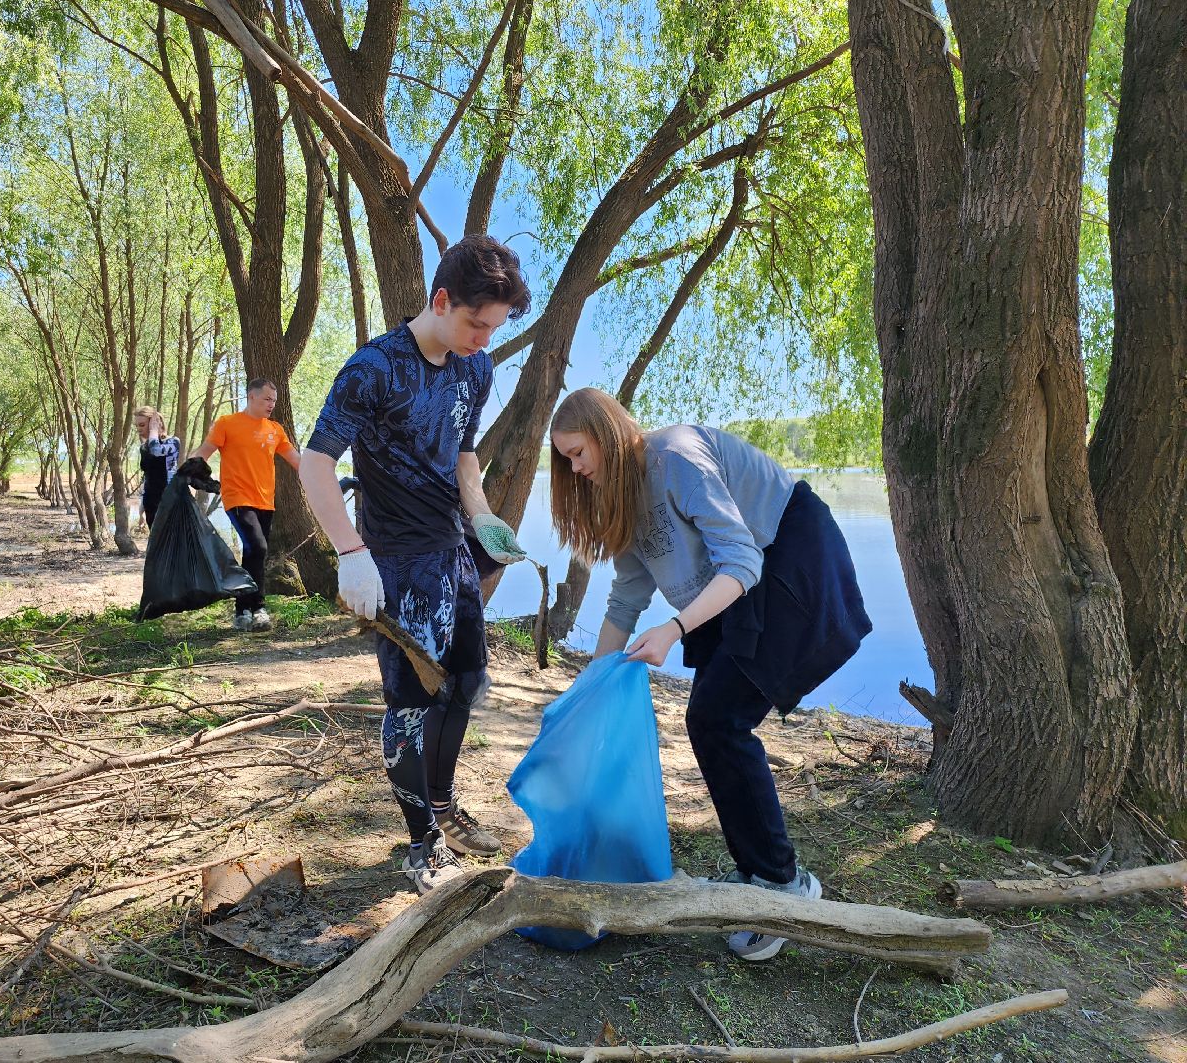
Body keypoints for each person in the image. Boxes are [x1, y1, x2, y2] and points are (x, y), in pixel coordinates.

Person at [548, 387, 872, 961]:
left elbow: (743, 560)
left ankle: (783, 887)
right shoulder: (623, 495)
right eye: (566, 460)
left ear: (606, 433)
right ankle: (761, 873)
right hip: (732, 586)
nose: (575, 469)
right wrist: (588, 689)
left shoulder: (674, 458)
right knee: (713, 722)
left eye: (578, 454)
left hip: (784, 556)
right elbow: (625, 600)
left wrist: (673, 629)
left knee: (718, 718)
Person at [299, 235, 532, 894]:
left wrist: (481, 513)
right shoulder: (375, 368)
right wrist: (350, 552)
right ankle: (421, 845)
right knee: (410, 704)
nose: (484, 341)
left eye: (495, 329)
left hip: (450, 553)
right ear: (441, 300)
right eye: (476, 324)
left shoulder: (475, 367)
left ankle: (441, 803)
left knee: (466, 683)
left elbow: (463, 452)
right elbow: (317, 462)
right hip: (392, 565)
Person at [189, 380, 301, 631]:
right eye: (267, 399)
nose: (272, 404)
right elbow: (205, 450)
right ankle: (259, 607)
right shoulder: (227, 423)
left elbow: (296, 461)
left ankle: (243, 611)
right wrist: (189, 468)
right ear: (251, 397)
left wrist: (325, 477)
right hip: (237, 497)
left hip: (265, 501)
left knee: (253, 552)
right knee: (258, 547)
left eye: (274, 400)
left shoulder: (275, 430)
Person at [133, 407, 180, 530]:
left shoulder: (173, 442)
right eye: (136, 425)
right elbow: (148, 478)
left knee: (170, 545)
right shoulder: (144, 448)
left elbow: (156, 450)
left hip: (169, 502)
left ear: (155, 423)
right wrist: (141, 509)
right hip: (151, 504)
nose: (138, 429)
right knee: (156, 545)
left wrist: (154, 430)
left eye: (142, 425)